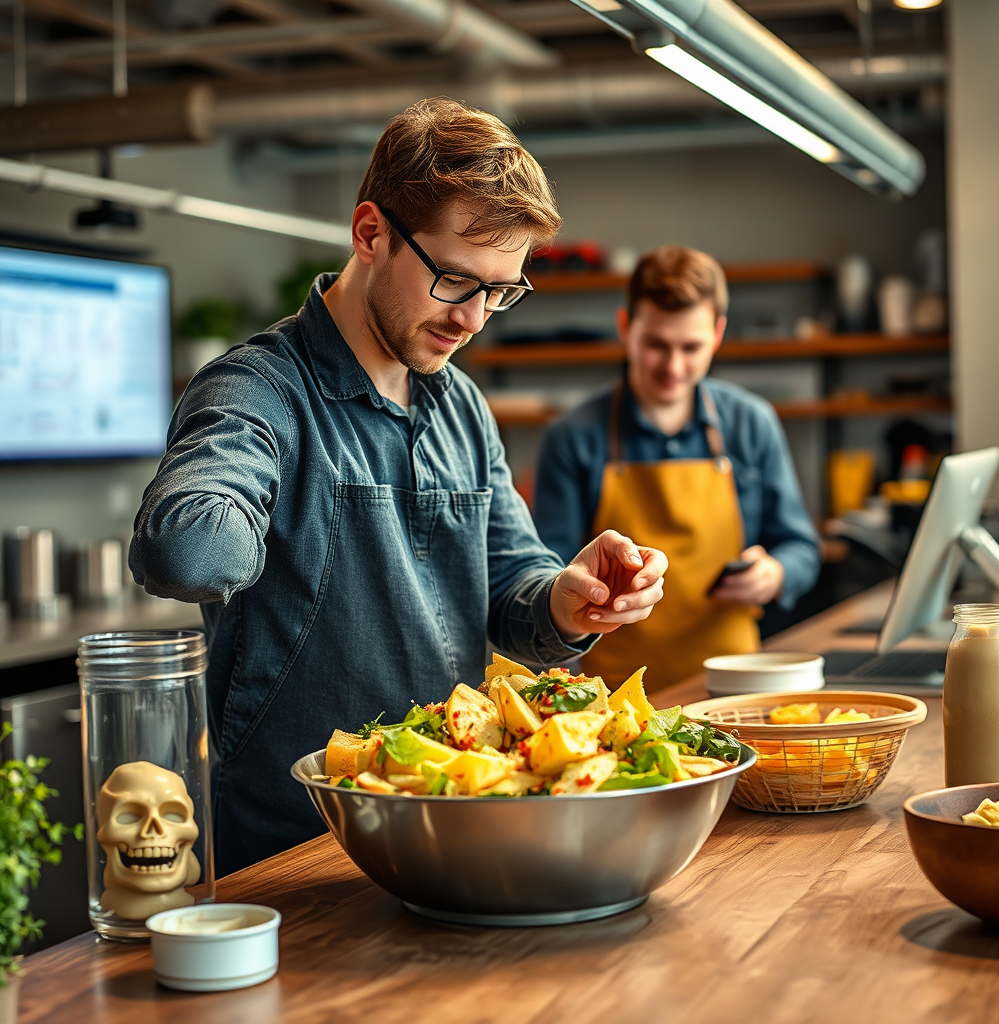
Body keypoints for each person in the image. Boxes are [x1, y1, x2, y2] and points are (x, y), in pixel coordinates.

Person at [129, 98, 668, 874]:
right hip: (289, 842)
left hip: (442, 819)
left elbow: (512, 584)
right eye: (455, 280)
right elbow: (186, 550)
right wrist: (226, 517)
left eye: (501, 291)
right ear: (371, 233)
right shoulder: (257, 390)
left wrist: (567, 597)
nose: (475, 318)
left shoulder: (461, 406)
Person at [534, 246, 819, 690]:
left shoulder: (752, 422)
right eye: (657, 345)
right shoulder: (571, 438)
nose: (673, 366)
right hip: (614, 695)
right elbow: (551, 577)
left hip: (735, 688)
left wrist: (776, 574)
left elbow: (801, 546)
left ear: (718, 333)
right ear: (626, 328)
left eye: (691, 347)